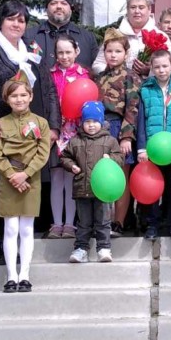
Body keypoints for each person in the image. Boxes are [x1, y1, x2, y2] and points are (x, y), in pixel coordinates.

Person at [0, 0, 61, 265]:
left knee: (28, 184)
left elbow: (49, 91)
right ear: (1, 21)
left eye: (21, 20)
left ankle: (23, 241)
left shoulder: (33, 52)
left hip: (31, 135)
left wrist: (54, 126)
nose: (17, 24)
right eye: (11, 19)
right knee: (5, 185)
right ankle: (0, 240)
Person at [0, 74, 51, 292]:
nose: (19, 99)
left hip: (31, 179)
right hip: (8, 179)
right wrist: (12, 175)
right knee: (10, 228)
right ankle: (11, 276)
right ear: (7, 99)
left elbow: (43, 153)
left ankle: (24, 275)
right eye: (14, 96)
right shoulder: (1, 123)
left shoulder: (41, 123)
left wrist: (25, 174)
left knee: (26, 228)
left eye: (23, 95)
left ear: (31, 96)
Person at [60, 101, 124, 264]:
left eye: (95, 121)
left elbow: (120, 157)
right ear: (82, 123)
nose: (91, 125)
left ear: (101, 122)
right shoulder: (75, 141)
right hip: (82, 188)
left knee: (103, 221)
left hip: (103, 190)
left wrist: (111, 159)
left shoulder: (110, 141)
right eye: (87, 121)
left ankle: (104, 248)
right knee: (83, 222)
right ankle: (81, 249)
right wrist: (71, 166)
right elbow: (65, 156)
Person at [136, 49, 171, 240]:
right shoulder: (145, 91)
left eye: (165, 66)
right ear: (151, 68)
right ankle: (152, 224)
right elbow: (140, 122)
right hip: (153, 149)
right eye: (157, 67)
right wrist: (142, 148)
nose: (161, 70)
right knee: (151, 187)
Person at [93, 28, 140, 236]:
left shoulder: (130, 77)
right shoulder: (99, 77)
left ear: (126, 54)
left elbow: (132, 108)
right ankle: (102, 221)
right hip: (99, 129)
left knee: (121, 177)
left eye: (118, 51)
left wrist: (126, 136)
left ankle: (119, 222)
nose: (113, 55)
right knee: (102, 175)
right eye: (109, 51)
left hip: (119, 128)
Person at [49, 35, 90, 238]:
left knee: (72, 177)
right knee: (56, 177)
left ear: (76, 52)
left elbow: (87, 100)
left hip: (75, 133)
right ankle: (57, 223)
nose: (64, 57)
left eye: (68, 52)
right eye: (60, 53)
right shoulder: (49, 75)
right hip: (54, 132)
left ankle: (70, 224)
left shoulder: (84, 75)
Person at [91, 0, 171, 75]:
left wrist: (150, 71)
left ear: (149, 9)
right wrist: (115, 73)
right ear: (127, 9)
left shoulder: (160, 36)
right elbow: (97, 65)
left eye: (141, 7)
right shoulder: (115, 35)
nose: (137, 11)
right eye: (133, 7)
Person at [26, 0, 99, 69]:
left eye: (64, 3)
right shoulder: (29, 36)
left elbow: (97, 69)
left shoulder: (88, 38)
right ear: (47, 8)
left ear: (70, 9)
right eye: (53, 3)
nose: (59, 6)